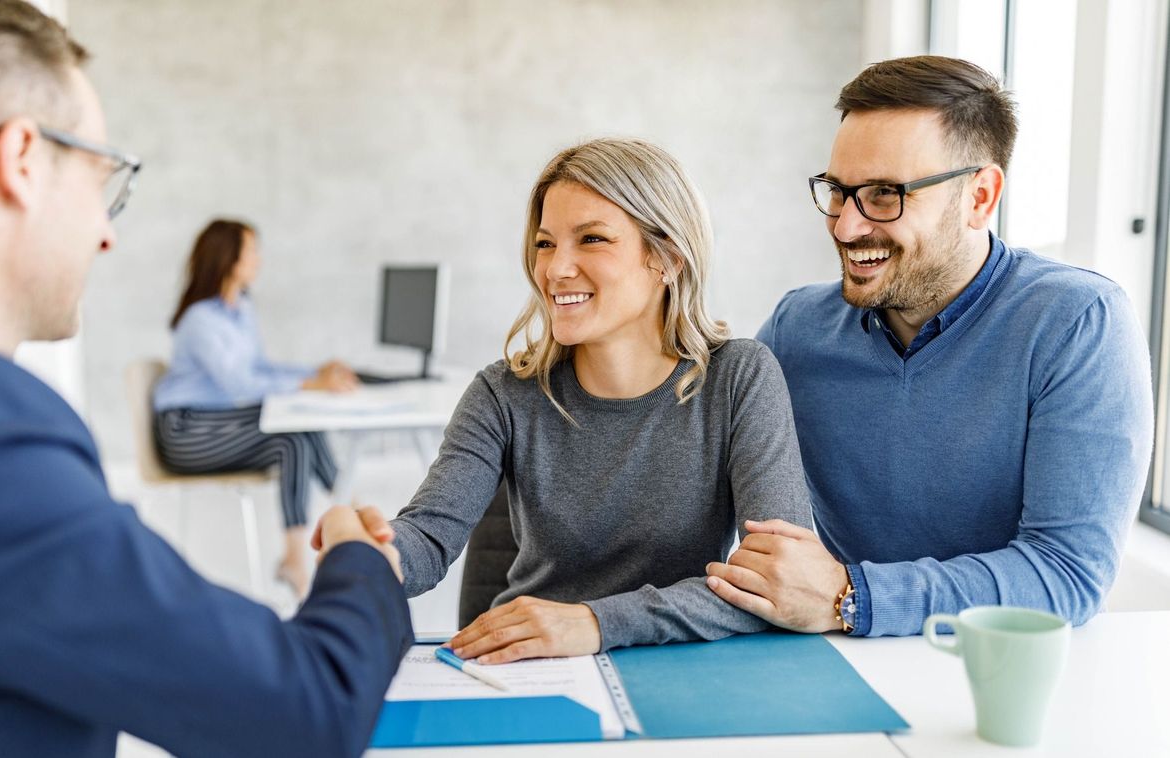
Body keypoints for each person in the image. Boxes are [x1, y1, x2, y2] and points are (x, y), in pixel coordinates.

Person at [0, 2, 410, 756]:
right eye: (104, 178)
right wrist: (359, 559)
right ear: (22, 160)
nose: (106, 232)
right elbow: (305, 711)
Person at [705, 55, 1154, 638]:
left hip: (989, 678)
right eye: (839, 192)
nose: (846, 227)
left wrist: (850, 596)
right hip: (829, 664)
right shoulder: (796, 328)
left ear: (979, 197)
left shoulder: (1077, 324)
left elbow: (1066, 573)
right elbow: (689, 462)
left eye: (886, 195)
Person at [348, 137, 813, 665]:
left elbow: (775, 581)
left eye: (590, 239)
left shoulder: (739, 378)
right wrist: (373, 554)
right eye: (545, 244)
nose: (555, 269)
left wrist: (595, 622)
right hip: (528, 671)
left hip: (677, 665)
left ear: (666, 258)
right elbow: (429, 536)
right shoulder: (503, 394)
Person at [154, 218, 358, 596]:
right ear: (228, 259)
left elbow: (260, 368)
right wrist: (311, 384)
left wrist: (314, 372)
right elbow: (240, 384)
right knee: (290, 441)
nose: (259, 260)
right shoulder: (201, 319)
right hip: (186, 431)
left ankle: (348, 505)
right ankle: (297, 559)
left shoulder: (241, 309)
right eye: (252, 251)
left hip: (216, 420)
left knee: (304, 426)